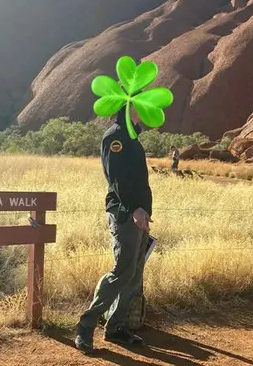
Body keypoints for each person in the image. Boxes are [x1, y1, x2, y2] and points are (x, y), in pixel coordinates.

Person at [75, 104, 152, 354]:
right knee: (122, 271)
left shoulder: (131, 136)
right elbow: (117, 178)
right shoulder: (115, 136)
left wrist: (145, 210)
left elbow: (139, 180)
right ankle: (87, 324)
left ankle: (116, 327)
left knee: (133, 272)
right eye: (140, 101)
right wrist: (134, 209)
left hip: (138, 214)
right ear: (128, 106)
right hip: (124, 214)